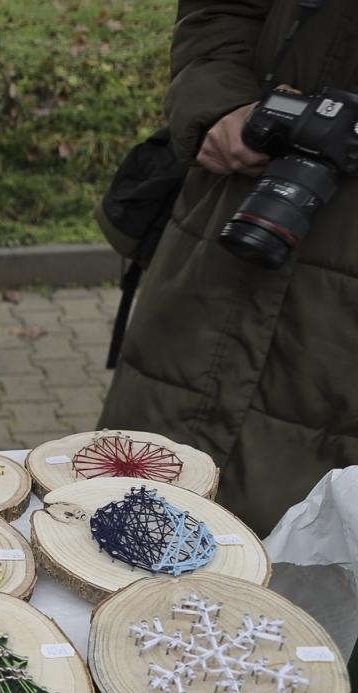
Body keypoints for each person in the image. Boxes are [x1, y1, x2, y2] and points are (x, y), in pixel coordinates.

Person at [98, 0, 358, 535]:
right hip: (234, 234)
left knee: (315, 579)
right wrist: (220, 103)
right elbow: (219, 12)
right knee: (126, 525)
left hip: (334, 327)